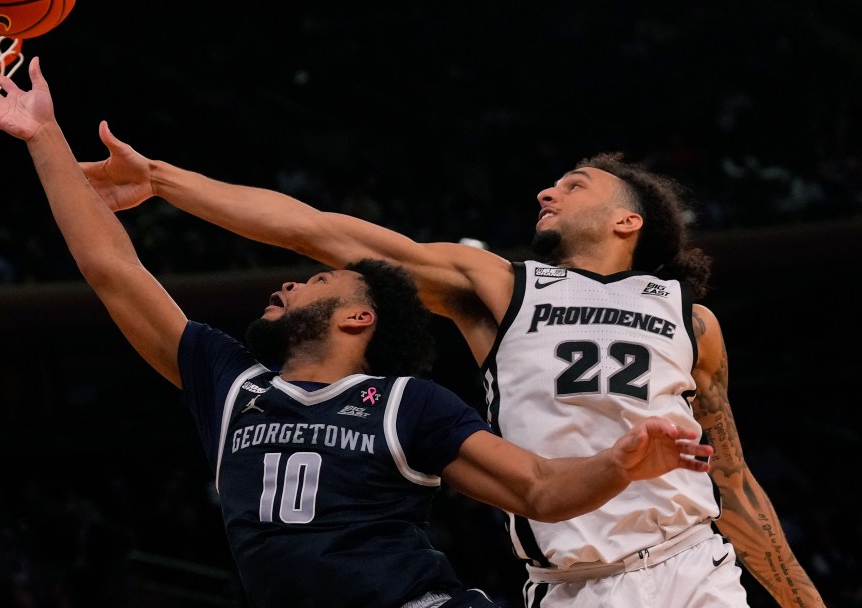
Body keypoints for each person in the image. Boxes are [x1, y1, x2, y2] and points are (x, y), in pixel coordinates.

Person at [0, 57, 714, 608]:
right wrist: (47, 139)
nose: (285, 281)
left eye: (315, 281)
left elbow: (541, 488)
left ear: (361, 318)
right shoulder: (234, 386)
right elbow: (115, 270)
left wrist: (618, 465)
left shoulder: (407, 404)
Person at [72, 121, 827, 608]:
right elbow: (318, 232)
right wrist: (164, 181)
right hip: (574, 585)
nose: (548, 189)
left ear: (628, 220)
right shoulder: (500, 285)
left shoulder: (691, 321)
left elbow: (730, 481)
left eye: (574, 184)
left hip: (691, 561)